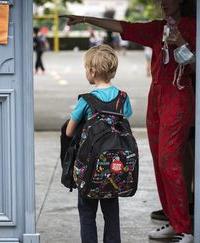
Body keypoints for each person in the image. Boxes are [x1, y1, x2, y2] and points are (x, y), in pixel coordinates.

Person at [61, 0, 196, 242]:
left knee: (169, 160)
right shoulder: (158, 28)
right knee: (158, 159)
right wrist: (84, 19)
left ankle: (184, 226)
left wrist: (181, 42)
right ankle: (173, 221)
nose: (163, 3)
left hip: (178, 94)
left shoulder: (194, 27)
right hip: (157, 97)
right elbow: (122, 26)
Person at [66, 44, 133, 243]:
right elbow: (124, 123)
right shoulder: (123, 98)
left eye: (86, 68)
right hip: (114, 168)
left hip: (89, 167)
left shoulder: (86, 100)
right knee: (111, 212)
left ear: (92, 72)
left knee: (87, 212)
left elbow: (69, 131)